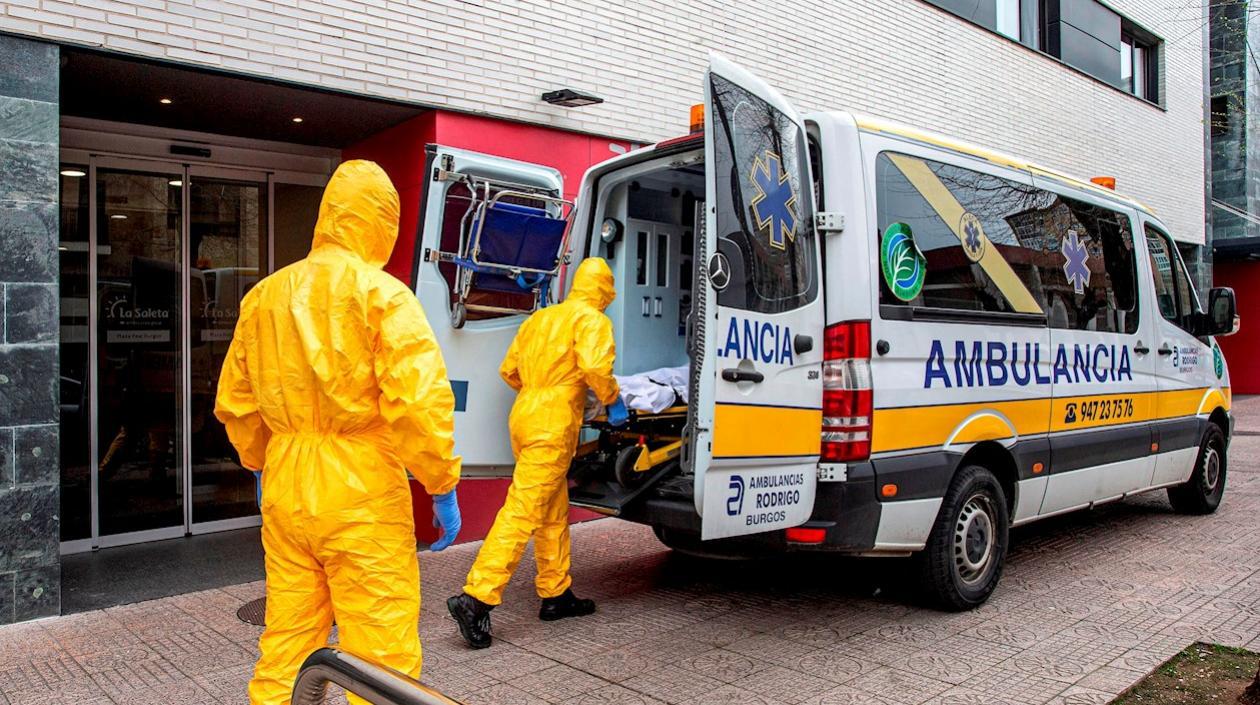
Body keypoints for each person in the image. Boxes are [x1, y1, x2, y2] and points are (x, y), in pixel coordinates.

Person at [215, 160, 462, 705]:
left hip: (287, 484)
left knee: (287, 638)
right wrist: (440, 483)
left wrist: (260, 461)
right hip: (361, 489)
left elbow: (237, 400)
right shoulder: (384, 296)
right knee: (379, 652)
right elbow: (418, 403)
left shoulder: (264, 297)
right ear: (382, 222)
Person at [447, 257, 629, 649]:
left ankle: (555, 592)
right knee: (524, 510)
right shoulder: (591, 320)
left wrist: (539, 389)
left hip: (525, 414)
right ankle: (476, 598)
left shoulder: (540, 319)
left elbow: (508, 370)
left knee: (551, 508)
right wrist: (612, 399)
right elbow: (596, 366)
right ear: (604, 291)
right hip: (552, 420)